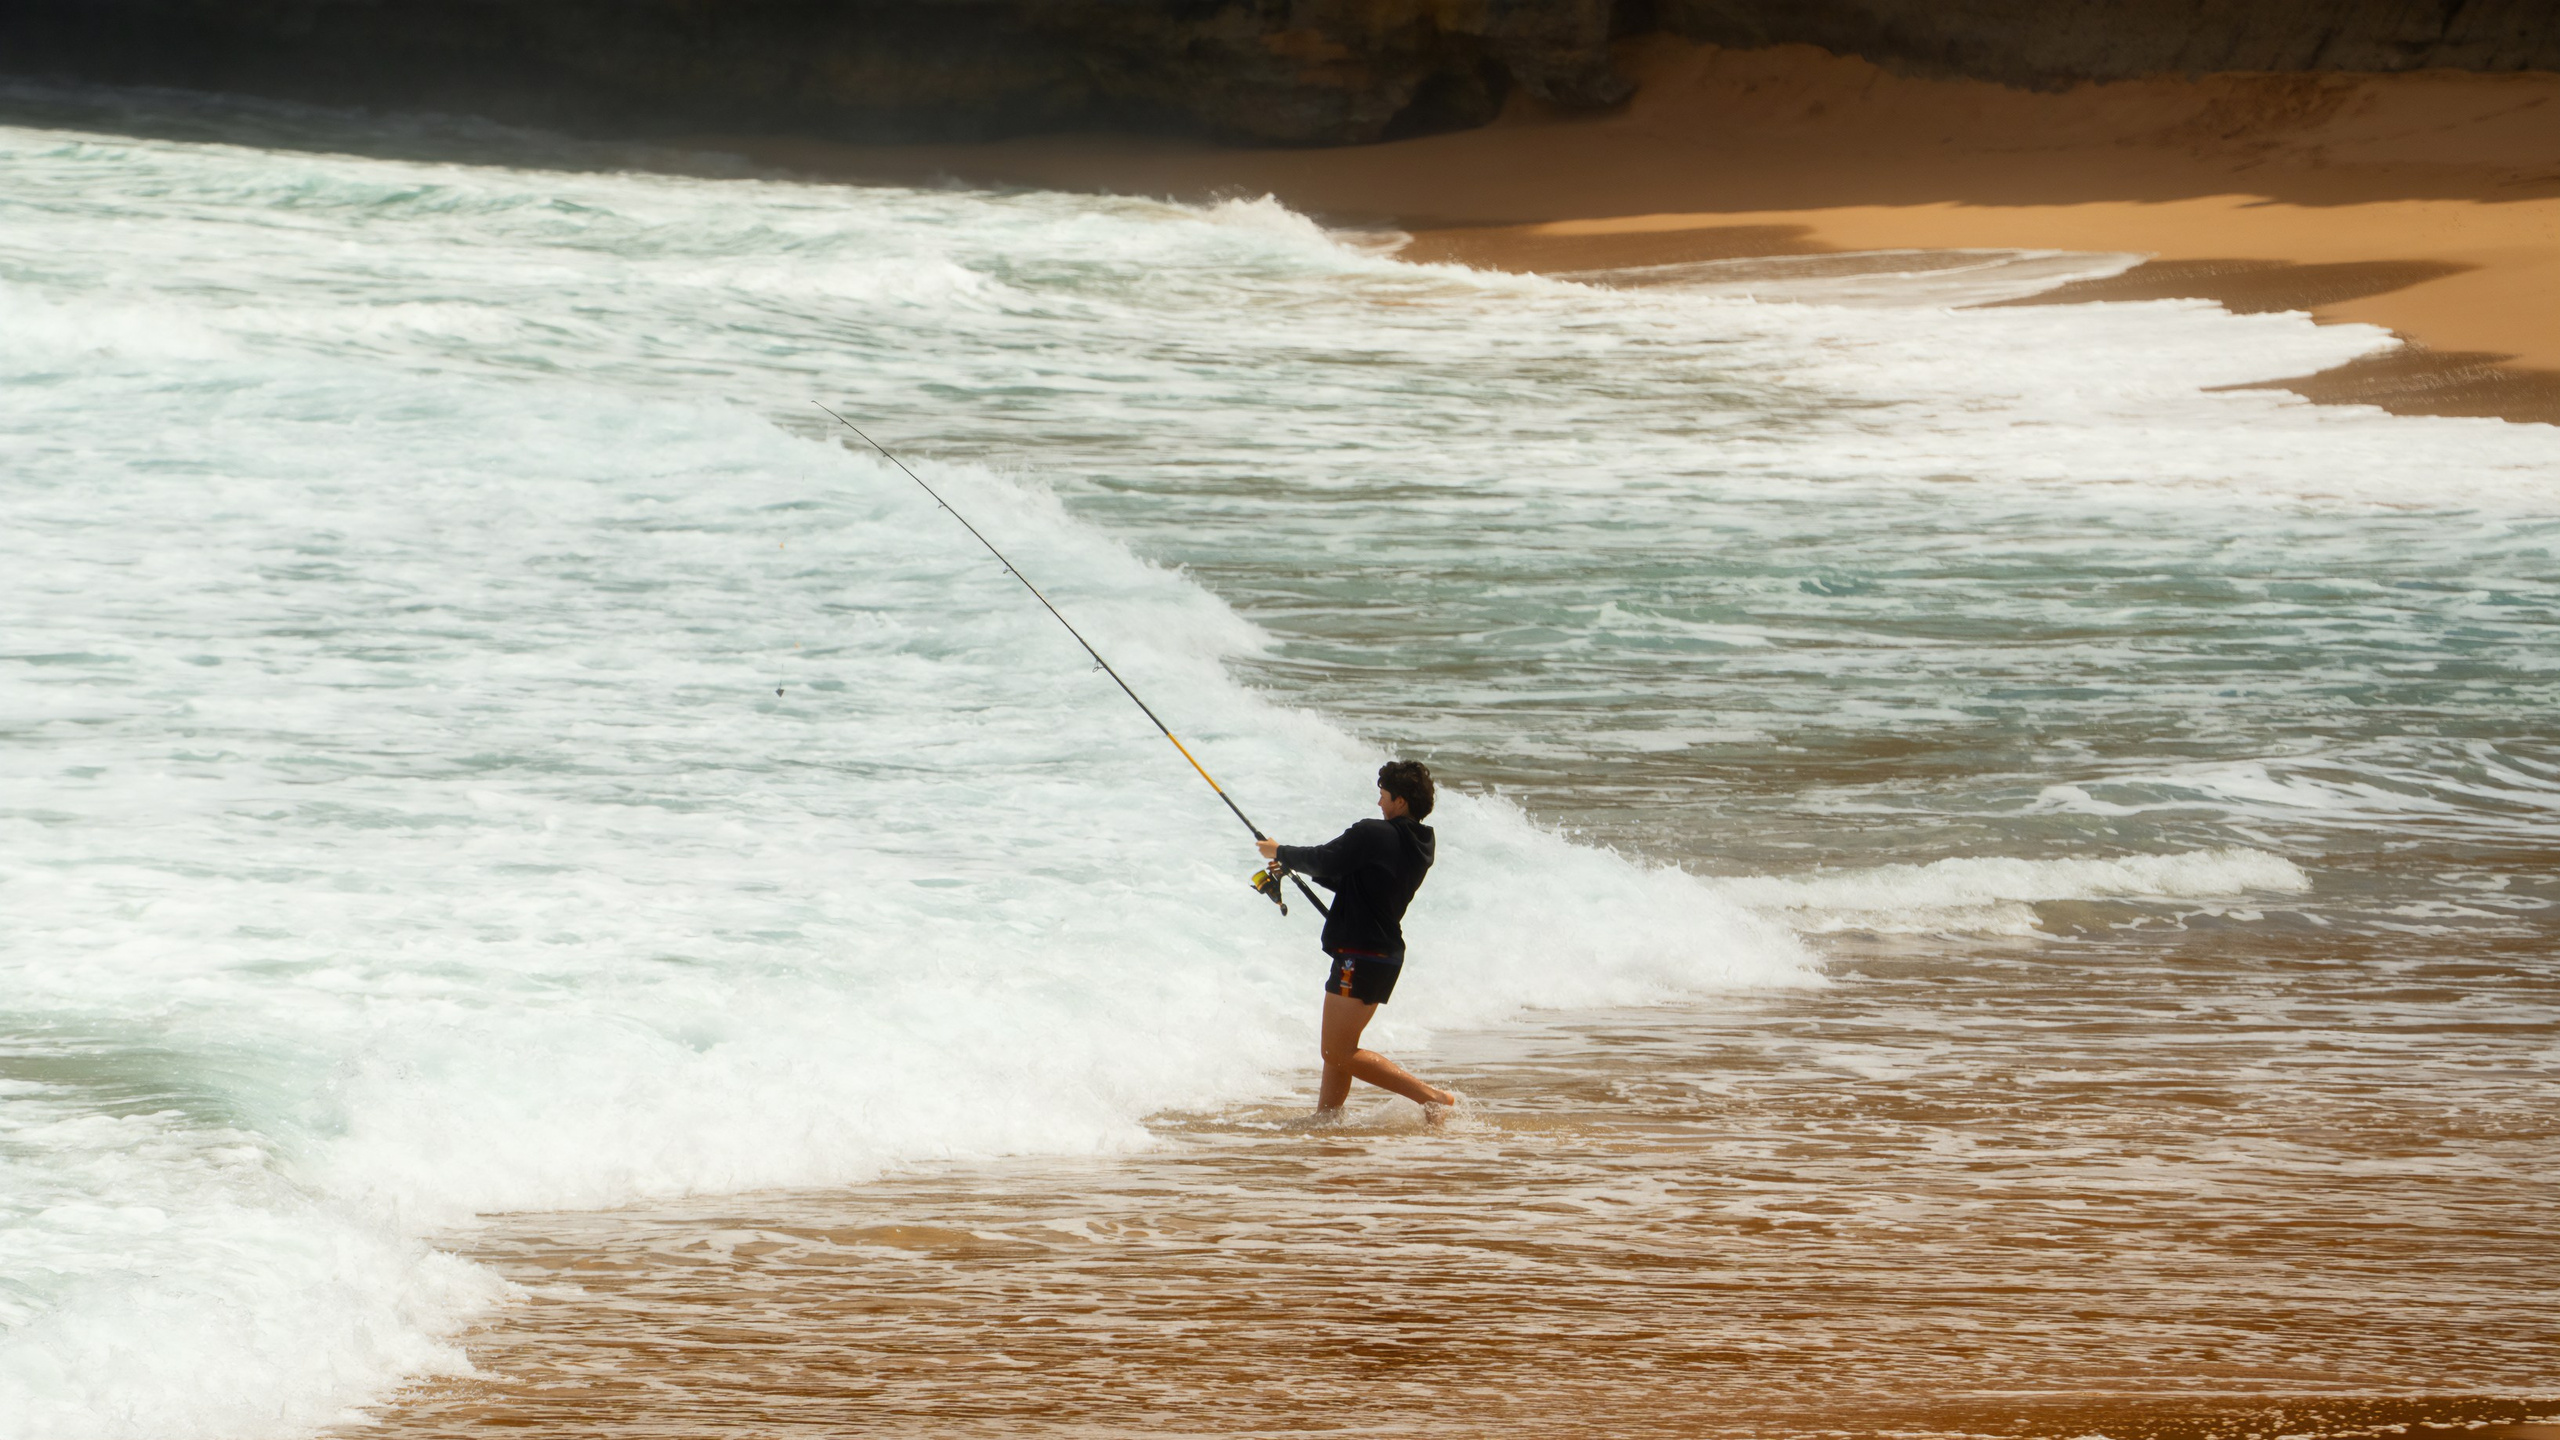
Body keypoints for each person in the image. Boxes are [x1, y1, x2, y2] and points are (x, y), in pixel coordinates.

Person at [1257, 760, 1459, 1120]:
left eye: (1383, 796)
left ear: (1401, 801)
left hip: (1362, 954)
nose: (1379, 804)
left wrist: (1279, 851)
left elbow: (1325, 859)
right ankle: (1327, 1119)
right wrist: (1296, 866)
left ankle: (1432, 1098)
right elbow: (1356, 879)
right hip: (1379, 954)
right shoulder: (1417, 845)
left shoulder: (1374, 834)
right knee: (1339, 1048)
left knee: (1337, 1051)